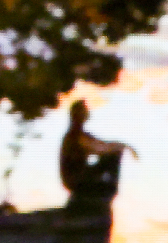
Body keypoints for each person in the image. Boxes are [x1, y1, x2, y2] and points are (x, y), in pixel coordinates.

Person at [59, 100, 138, 243]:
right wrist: (124, 146)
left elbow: (102, 146)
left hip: (81, 177)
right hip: (77, 180)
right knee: (114, 154)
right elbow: (101, 148)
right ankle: (109, 187)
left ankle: (107, 187)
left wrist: (121, 146)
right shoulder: (75, 136)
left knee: (114, 153)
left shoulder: (79, 135)